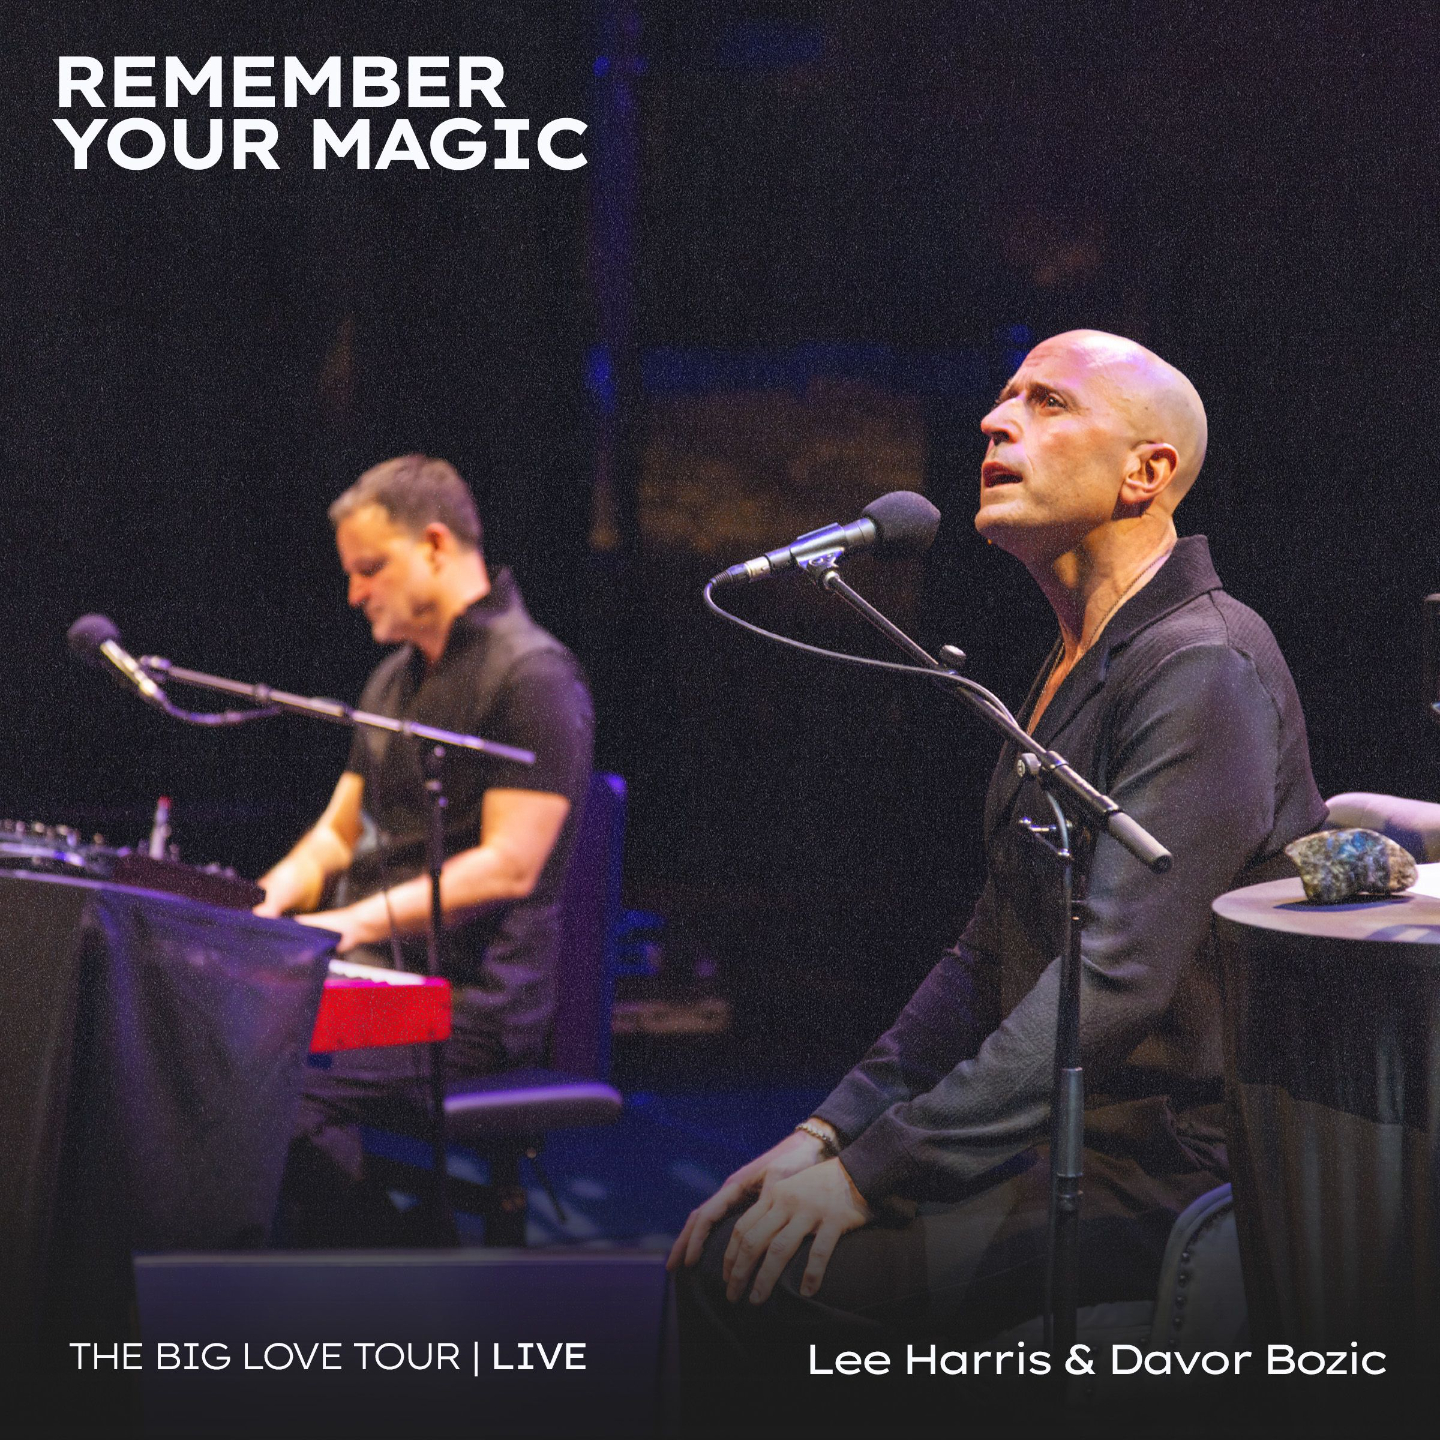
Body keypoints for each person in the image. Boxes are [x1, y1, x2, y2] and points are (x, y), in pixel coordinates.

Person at [668, 331, 1326, 1421]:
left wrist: (874, 1172)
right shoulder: (1082, 657)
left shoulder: (1204, 664)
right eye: (1006, 395)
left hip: (1160, 1164)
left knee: (768, 1280)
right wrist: (829, 1133)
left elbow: (1111, 980)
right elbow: (987, 949)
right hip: (1061, 1134)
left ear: (1146, 472)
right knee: (734, 1243)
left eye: (1048, 402)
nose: (994, 419)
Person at [256, 454, 594, 1241]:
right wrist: (257, 910)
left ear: (436, 545)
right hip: (381, 982)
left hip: (472, 1008)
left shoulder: (533, 674)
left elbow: (510, 864)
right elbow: (337, 835)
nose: (354, 593)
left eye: (369, 568)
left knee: (274, 1086)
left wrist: (343, 926)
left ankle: (404, 1268)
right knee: (225, 1052)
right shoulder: (390, 681)